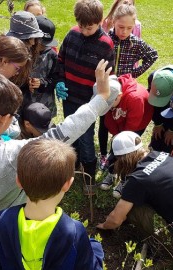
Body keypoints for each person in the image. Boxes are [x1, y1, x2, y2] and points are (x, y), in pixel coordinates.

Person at [0, 59, 118, 252]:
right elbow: (63, 133)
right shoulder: (9, 156)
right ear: (4, 118)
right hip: (6, 238)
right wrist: (101, 98)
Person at [0, 139, 104, 269]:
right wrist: (96, 249)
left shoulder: (3, 220)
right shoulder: (74, 232)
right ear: (68, 184)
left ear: (18, 181)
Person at [97, 131, 173, 261]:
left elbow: (115, 220)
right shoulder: (163, 155)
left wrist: (103, 226)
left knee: (134, 210)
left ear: (123, 159)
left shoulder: (138, 179)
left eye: (117, 160)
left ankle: (166, 251)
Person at [57, 0, 115, 194]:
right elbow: (61, 60)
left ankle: (89, 174)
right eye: (81, 26)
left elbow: (107, 76)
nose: (83, 30)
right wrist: (60, 80)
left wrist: (98, 98)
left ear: (99, 22)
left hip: (88, 102)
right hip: (69, 96)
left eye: (89, 27)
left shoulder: (105, 45)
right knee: (69, 132)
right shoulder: (72, 34)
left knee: (86, 139)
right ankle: (71, 166)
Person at [98, 1, 157, 168]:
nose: (124, 32)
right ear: (113, 22)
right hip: (107, 88)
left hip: (125, 89)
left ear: (134, 27)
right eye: (121, 27)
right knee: (104, 121)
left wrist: (134, 73)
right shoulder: (106, 39)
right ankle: (103, 154)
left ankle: (121, 153)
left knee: (122, 119)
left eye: (129, 28)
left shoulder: (135, 43)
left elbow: (153, 55)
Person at [97, 74, 153, 198]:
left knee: (128, 153)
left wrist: (121, 140)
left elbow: (131, 129)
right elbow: (109, 120)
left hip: (136, 125)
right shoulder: (110, 93)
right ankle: (112, 173)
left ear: (119, 96)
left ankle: (125, 179)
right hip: (120, 121)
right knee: (115, 148)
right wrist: (116, 135)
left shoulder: (135, 98)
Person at [23, 15, 59, 117]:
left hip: (45, 104)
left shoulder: (52, 56)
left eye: (45, 44)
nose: (42, 46)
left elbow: (55, 79)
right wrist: (26, 82)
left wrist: (42, 83)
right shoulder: (23, 52)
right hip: (24, 102)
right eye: (40, 43)